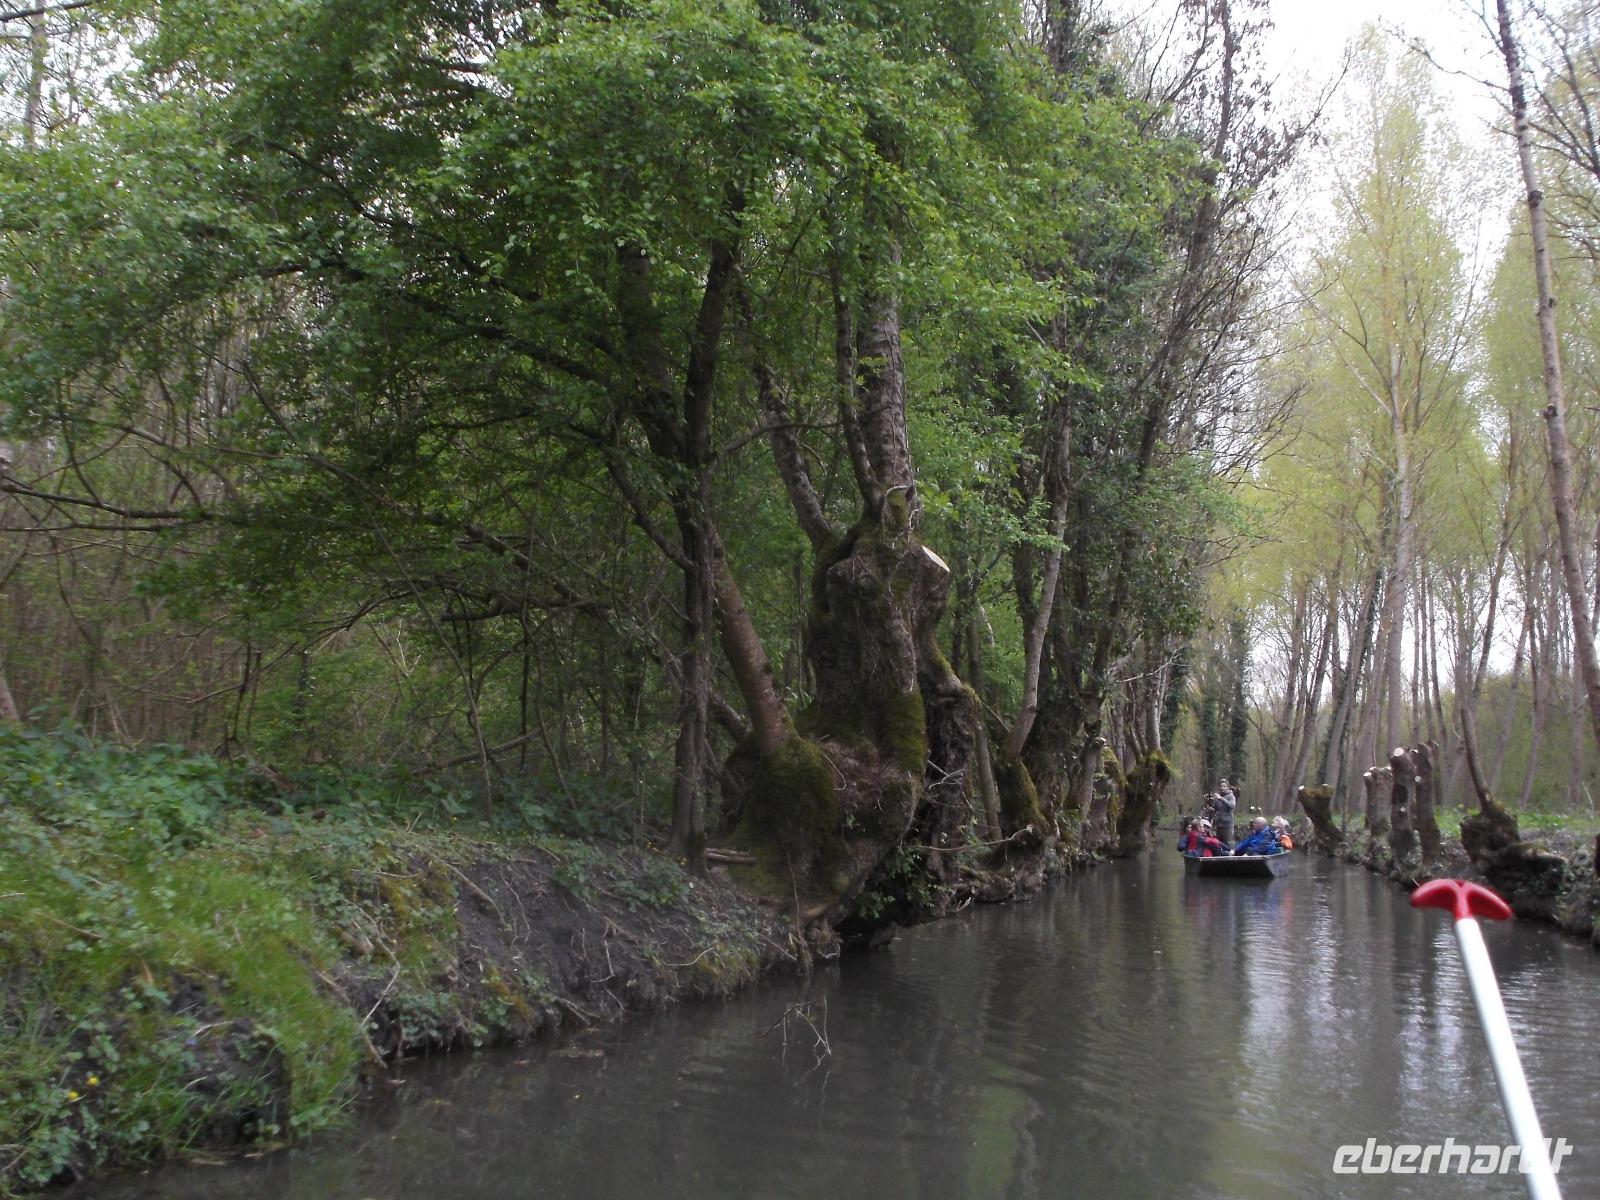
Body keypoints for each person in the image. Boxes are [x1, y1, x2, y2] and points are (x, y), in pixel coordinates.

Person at [1213, 778, 1237, 844]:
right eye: (1220, 786)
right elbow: (1215, 809)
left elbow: (1231, 806)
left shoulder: (1231, 796)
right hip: (1218, 824)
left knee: (1229, 843)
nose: (1222, 788)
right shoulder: (1217, 796)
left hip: (1228, 824)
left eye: (1224, 786)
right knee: (1218, 843)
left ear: (1227, 787)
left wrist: (1221, 799)